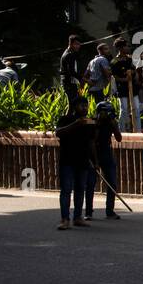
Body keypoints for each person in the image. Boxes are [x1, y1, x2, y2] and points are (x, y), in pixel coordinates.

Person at [54, 96, 95, 229]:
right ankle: (65, 219)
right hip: (67, 160)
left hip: (83, 160)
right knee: (66, 190)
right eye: (81, 105)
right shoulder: (65, 119)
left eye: (86, 105)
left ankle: (78, 217)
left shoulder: (89, 123)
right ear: (74, 107)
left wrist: (94, 160)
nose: (84, 108)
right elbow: (58, 133)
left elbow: (91, 142)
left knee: (80, 189)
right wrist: (76, 124)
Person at [86, 100, 123, 220]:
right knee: (90, 183)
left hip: (107, 152)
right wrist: (95, 162)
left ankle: (110, 210)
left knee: (112, 182)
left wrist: (114, 125)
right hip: (93, 153)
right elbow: (91, 142)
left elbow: (119, 138)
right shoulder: (93, 123)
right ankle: (88, 212)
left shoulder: (111, 122)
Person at [60, 35, 84, 100]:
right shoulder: (69, 55)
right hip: (69, 85)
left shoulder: (69, 53)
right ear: (70, 44)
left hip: (68, 83)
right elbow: (71, 72)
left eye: (79, 44)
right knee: (72, 104)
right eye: (76, 44)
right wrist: (83, 79)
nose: (78, 46)